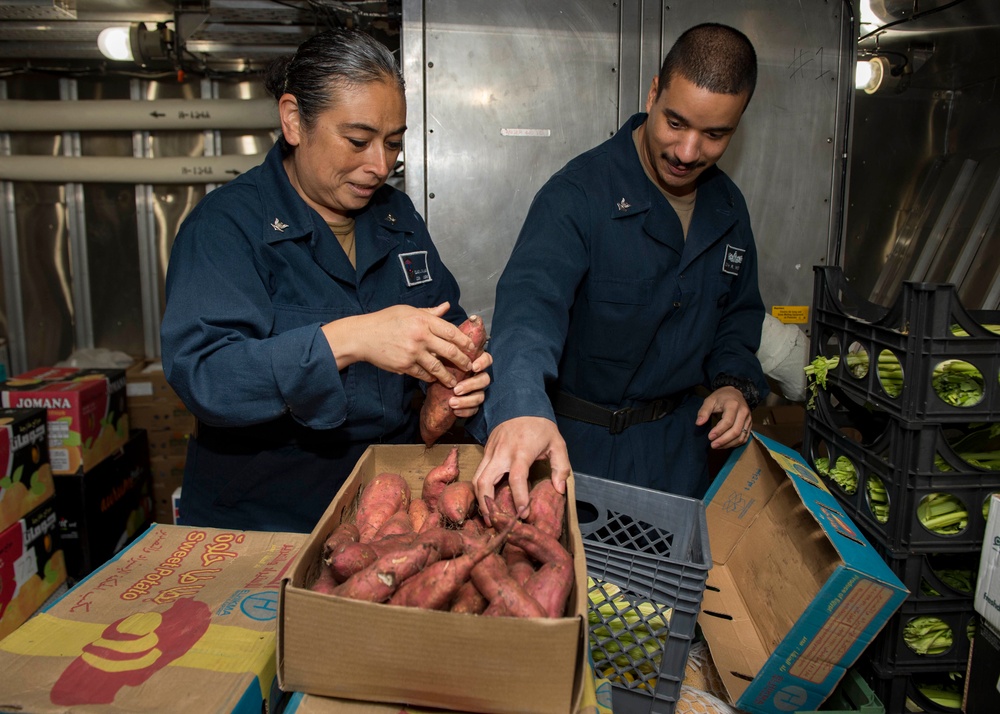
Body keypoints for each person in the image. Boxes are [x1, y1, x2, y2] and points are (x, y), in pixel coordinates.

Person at [160, 29, 491, 533]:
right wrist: (349, 339)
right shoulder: (226, 227)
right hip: (266, 524)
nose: (380, 166)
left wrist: (456, 386)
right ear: (294, 120)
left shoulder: (397, 218)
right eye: (357, 141)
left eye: (394, 144)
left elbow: (445, 332)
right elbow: (207, 376)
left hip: (389, 511)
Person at [473, 23, 768, 515]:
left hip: (679, 459)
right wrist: (521, 406)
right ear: (654, 91)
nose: (688, 152)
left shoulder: (728, 208)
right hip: (578, 459)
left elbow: (738, 317)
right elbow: (529, 311)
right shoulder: (578, 196)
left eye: (715, 135)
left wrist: (733, 385)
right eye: (675, 123)